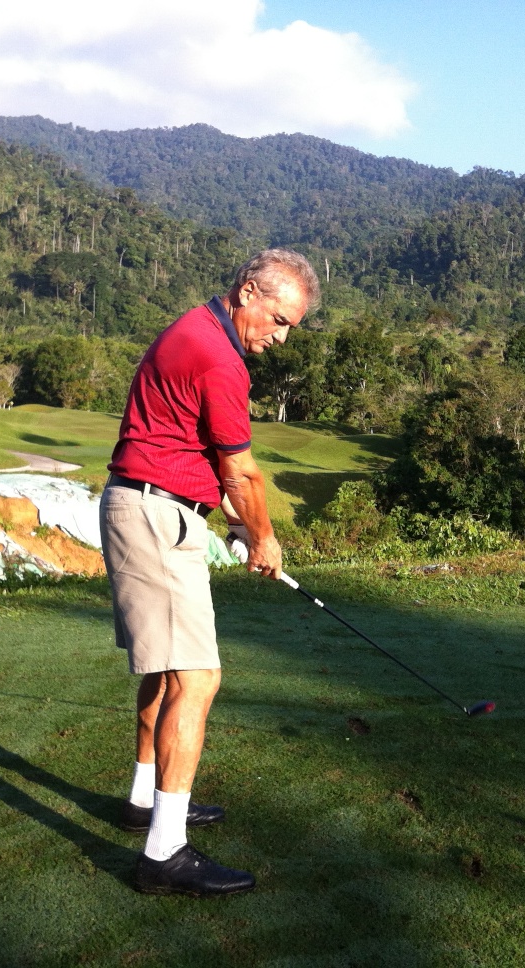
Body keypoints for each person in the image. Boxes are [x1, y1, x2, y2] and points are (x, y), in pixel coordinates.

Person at [100, 249, 320, 897]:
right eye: (278, 321)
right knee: (198, 678)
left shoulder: (196, 327)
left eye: (290, 328)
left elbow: (187, 446)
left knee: (169, 670)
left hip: (152, 505)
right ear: (248, 292)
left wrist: (224, 516)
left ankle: (145, 799)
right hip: (155, 517)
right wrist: (264, 538)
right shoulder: (218, 357)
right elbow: (241, 472)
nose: (280, 338)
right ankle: (164, 853)